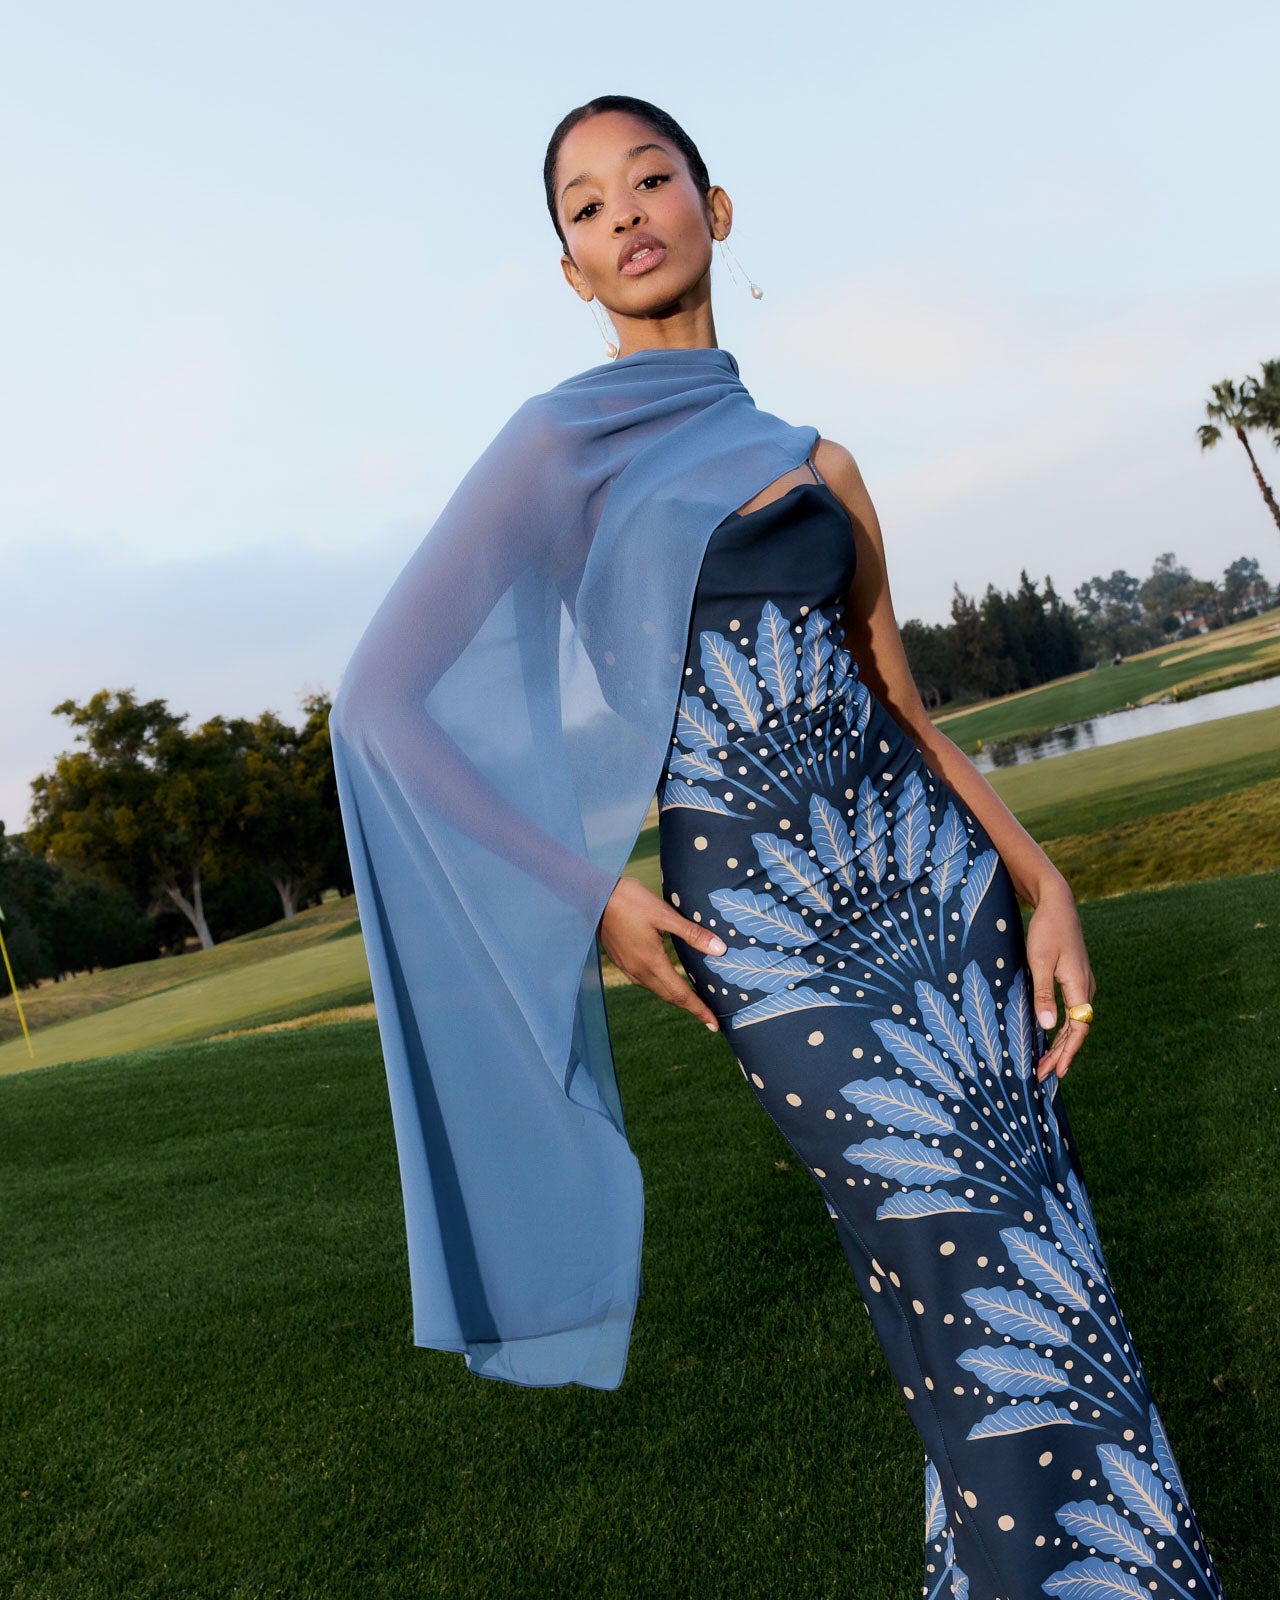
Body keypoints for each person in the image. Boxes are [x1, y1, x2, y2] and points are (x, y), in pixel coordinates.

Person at [330, 95, 1226, 1600]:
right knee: (962, 1271)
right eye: (586, 205)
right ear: (569, 268)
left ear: (717, 208)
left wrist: (1043, 879)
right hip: (777, 932)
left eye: (651, 179)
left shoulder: (820, 461)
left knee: (1044, 1279)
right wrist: (589, 894)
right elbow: (380, 707)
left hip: (943, 898)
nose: (625, 214)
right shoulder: (557, 448)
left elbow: (908, 712)